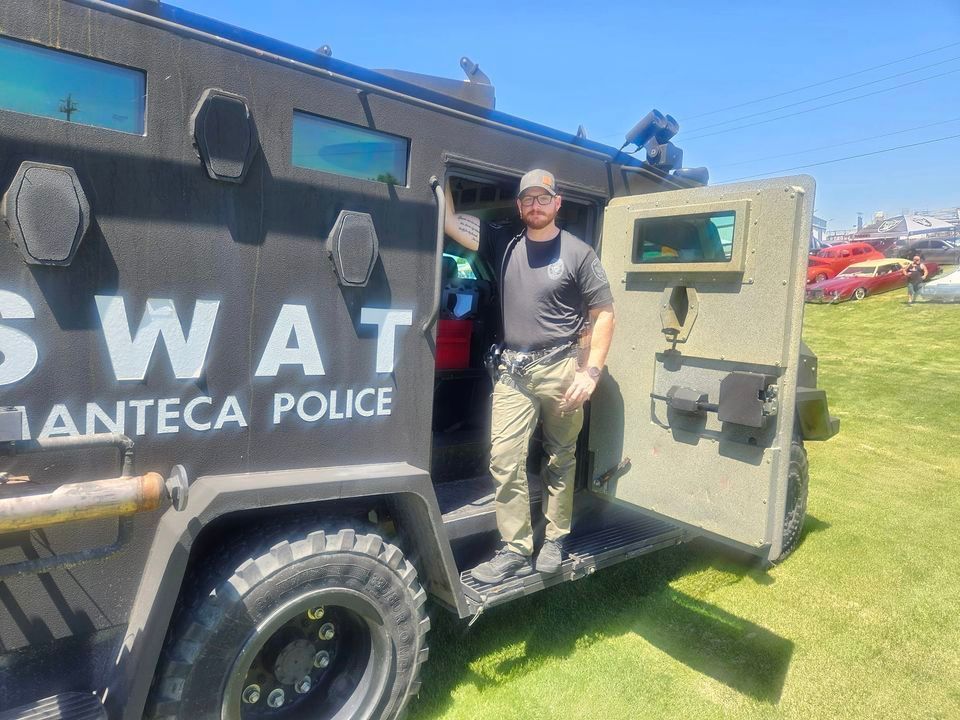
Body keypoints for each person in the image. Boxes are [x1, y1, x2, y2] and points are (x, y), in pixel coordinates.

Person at [443, 169, 615, 584]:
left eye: (543, 198)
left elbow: (604, 313)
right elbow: (449, 222)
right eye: (528, 199)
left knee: (560, 456)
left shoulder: (579, 254)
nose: (535, 205)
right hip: (513, 371)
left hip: (562, 369)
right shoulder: (503, 242)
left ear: (558, 203)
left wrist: (591, 371)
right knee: (504, 460)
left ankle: (555, 540)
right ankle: (516, 549)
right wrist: (439, 172)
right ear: (519, 206)